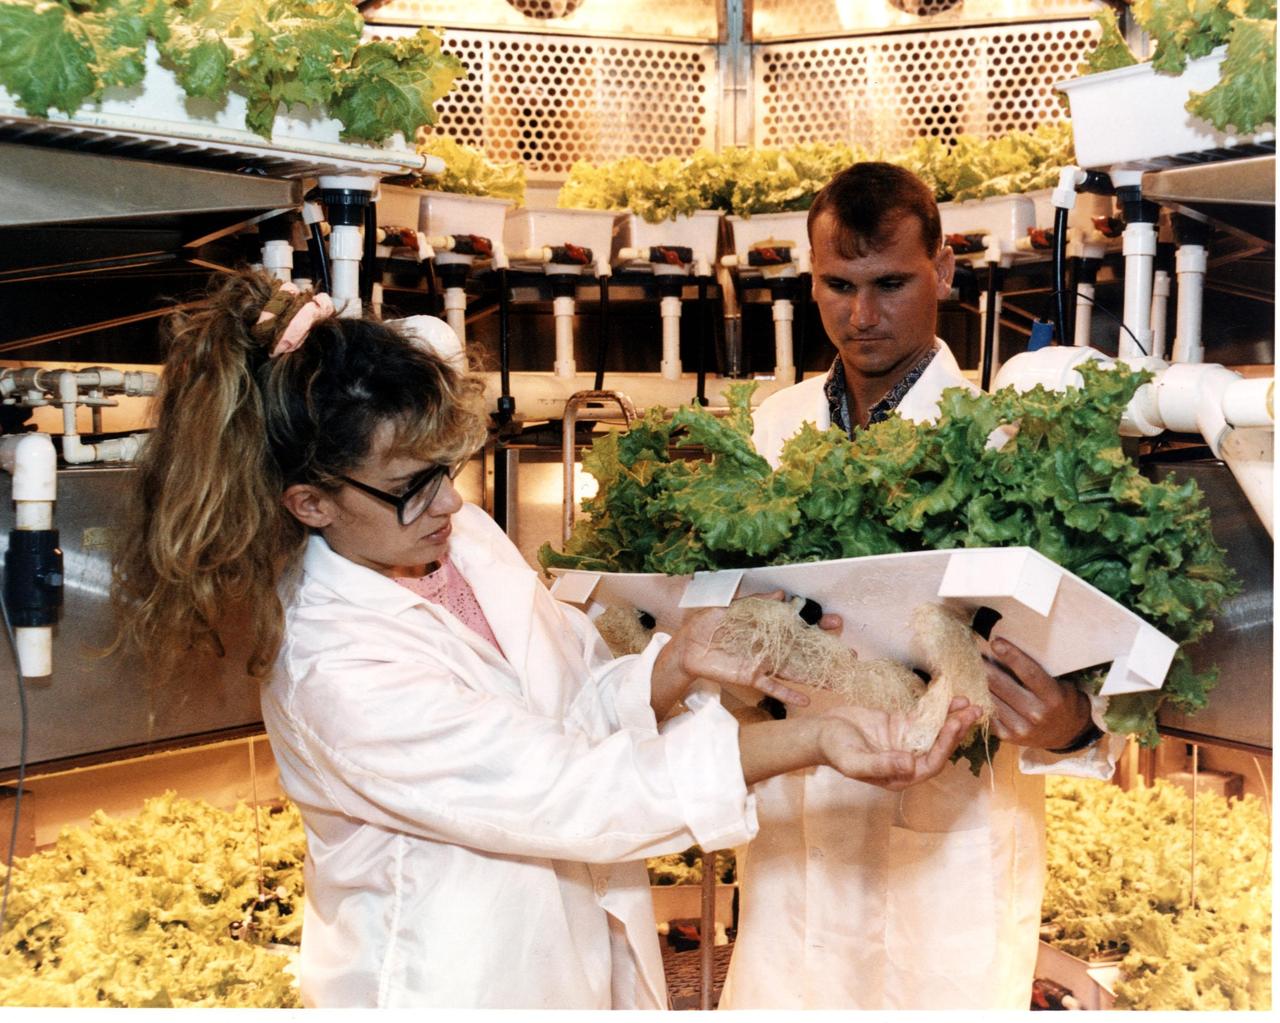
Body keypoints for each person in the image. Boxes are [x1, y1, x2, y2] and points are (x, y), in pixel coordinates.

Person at [110, 269, 982, 1010]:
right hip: (457, 981)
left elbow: (569, 702)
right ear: (311, 501)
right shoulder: (333, 662)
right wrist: (808, 739)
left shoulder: (451, 537)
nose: (450, 503)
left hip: (574, 959)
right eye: (413, 485)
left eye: (444, 470)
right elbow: (566, 787)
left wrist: (673, 663)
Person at [718, 163, 1125, 1011]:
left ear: (943, 269)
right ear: (811, 275)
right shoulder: (769, 428)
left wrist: (1069, 722)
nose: (861, 315)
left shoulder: (1010, 439)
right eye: (838, 285)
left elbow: (1097, 674)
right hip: (798, 844)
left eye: (890, 283)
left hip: (954, 854)